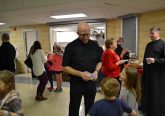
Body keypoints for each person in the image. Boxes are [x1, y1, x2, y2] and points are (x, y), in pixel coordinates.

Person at [62, 21, 102, 116]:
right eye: (82, 35)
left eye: (87, 34)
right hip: (76, 83)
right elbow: (65, 67)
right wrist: (80, 74)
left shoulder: (95, 45)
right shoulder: (70, 47)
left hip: (91, 83)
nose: (85, 37)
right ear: (77, 33)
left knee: (90, 107)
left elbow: (100, 61)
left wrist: (96, 71)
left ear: (90, 31)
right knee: (74, 107)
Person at [141, 27, 165, 116]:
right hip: (148, 73)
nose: (150, 35)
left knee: (156, 93)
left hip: (158, 75)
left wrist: (155, 60)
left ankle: (157, 112)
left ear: (158, 33)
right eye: (150, 33)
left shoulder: (163, 44)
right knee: (147, 91)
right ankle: (147, 110)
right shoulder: (148, 45)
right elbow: (145, 58)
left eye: (152, 33)